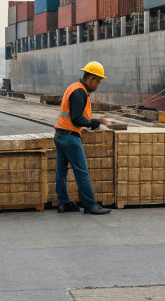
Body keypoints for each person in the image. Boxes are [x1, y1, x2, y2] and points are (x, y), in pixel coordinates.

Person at [55, 61, 111, 215]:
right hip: (70, 137)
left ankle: (64, 203)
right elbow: (77, 119)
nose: (98, 85)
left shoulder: (74, 87)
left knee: (61, 171)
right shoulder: (80, 92)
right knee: (82, 172)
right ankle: (90, 204)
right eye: (98, 82)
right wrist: (94, 123)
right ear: (91, 79)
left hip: (60, 134)